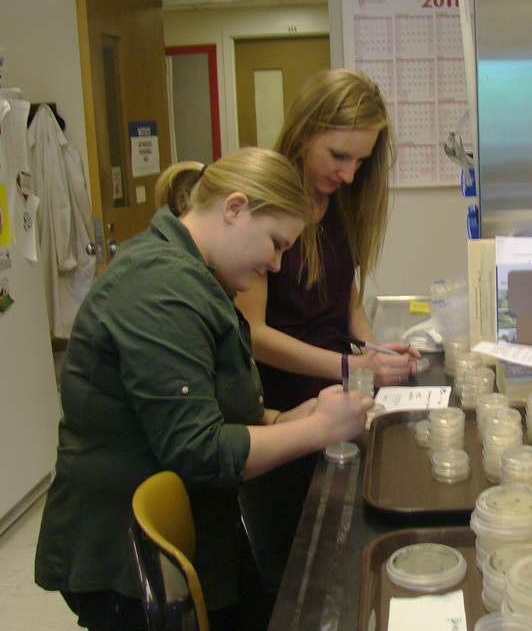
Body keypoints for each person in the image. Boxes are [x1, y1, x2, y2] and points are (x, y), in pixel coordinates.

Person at [34, 147, 373, 631]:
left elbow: (219, 407)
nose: (278, 265)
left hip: (206, 536)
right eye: (275, 243)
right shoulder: (159, 286)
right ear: (234, 208)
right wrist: (319, 430)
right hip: (126, 563)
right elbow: (197, 449)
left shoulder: (200, 277)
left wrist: (292, 416)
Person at [235, 69, 421, 596]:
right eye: (339, 155)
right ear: (302, 132)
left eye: (360, 161)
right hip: (282, 412)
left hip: (338, 404)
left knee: (344, 566)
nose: (348, 173)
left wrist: (372, 348)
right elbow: (252, 333)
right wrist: (349, 366)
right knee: (293, 579)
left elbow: (347, 298)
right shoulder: (266, 203)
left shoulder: (339, 203)